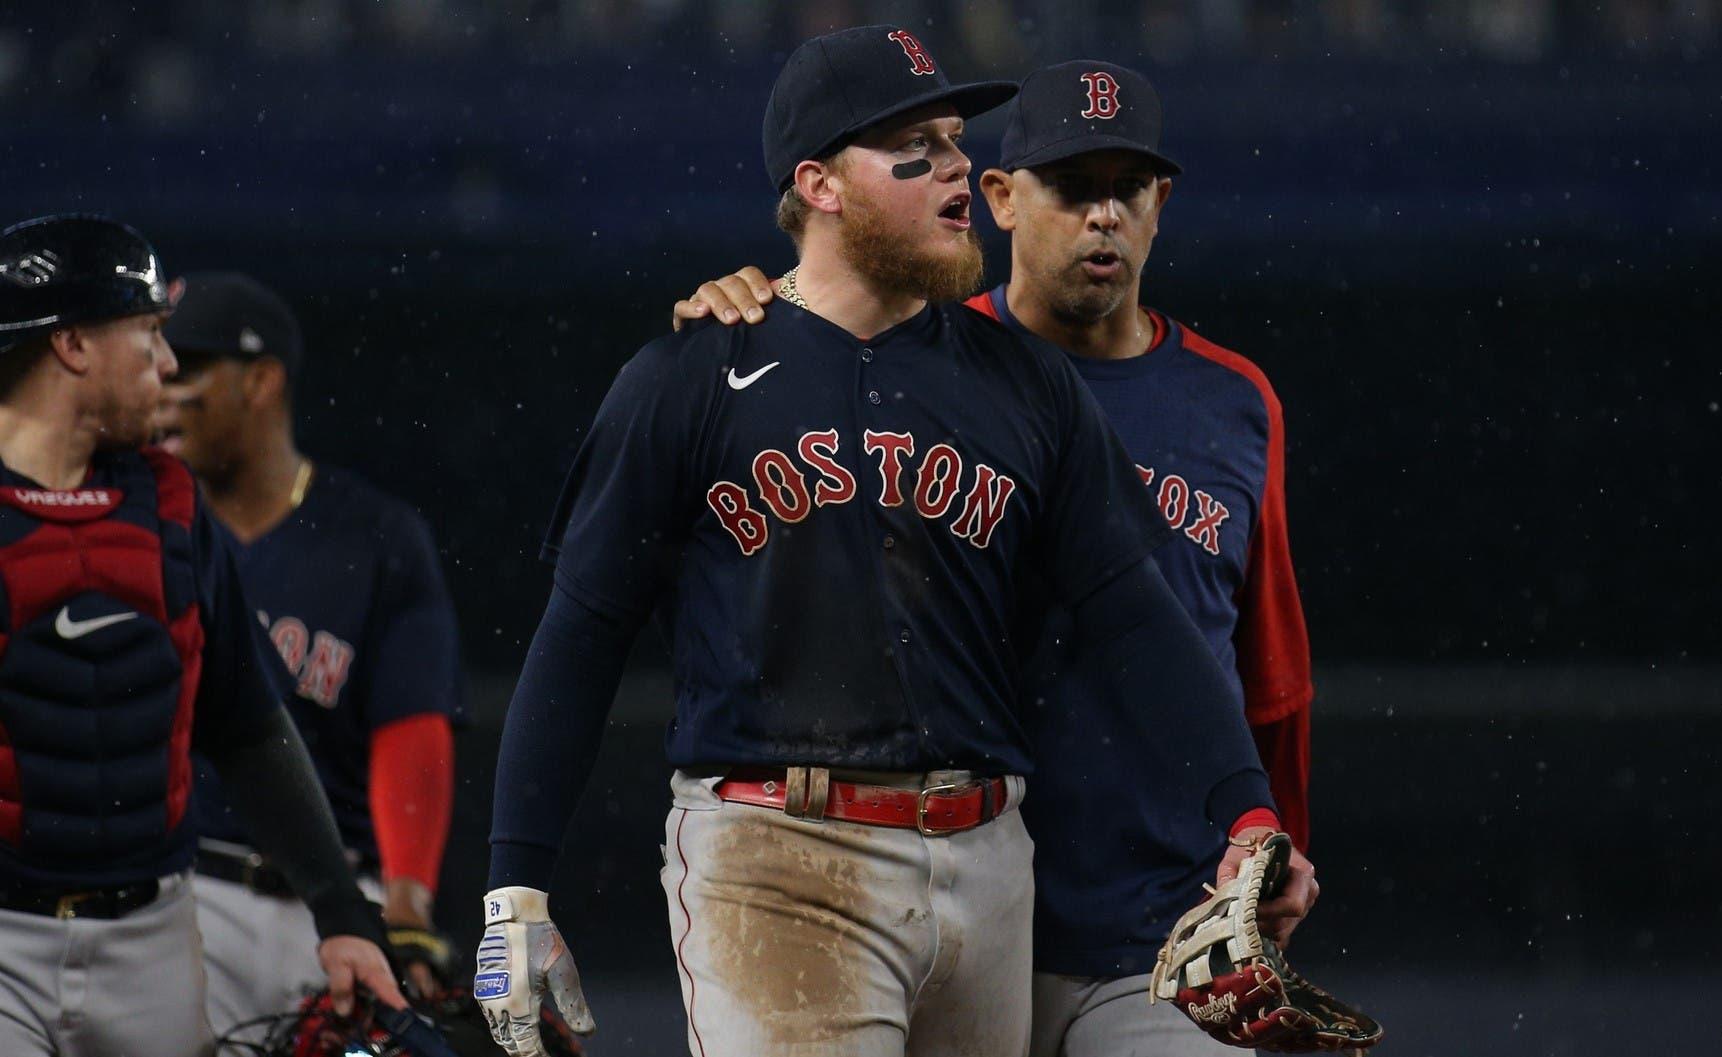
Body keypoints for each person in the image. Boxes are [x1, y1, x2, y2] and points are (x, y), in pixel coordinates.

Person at [476, 26, 1304, 1057]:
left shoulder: (1022, 381)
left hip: (990, 858)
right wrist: (515, 885)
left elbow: (1139, 615)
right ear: (820, 184)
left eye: (958, 137)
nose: (960, 163)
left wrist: (1248, 810)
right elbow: (581, 636)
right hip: (778, 851)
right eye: (917, 143)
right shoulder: (689, 376)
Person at [0, 214, 402, 1057]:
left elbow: (249, 725)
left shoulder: (172, 504)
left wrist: (341, 912)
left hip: (153, 941)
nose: (170, 363)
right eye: (148, 333)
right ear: (71, 344)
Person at [154, 272, 464, 1033]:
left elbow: (411, 726)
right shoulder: (144, 525)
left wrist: (406, 900)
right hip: (187, 888)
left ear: (261, 380)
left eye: (189, 366)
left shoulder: (374, 538)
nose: (165, 383)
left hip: (335, 906)